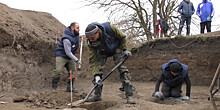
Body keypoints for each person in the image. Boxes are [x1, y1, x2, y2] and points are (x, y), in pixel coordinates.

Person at [84, 22, 135, 104]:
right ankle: (97, 95)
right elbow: (93, 60)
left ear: (98, 33)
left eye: (92, 38)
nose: (90, 40)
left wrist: (124, 49)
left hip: (116, 48)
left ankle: (129, 95)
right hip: (102, 51)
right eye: (88, 38)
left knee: (123, 70)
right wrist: (96, 75)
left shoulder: (109, 27)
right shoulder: (91, 43)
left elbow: (122, 36)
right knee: (97, 71)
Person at [52, 22, 82, 93]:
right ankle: (54, 88)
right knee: (58, 71)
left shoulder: (76, 35)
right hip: (61, 55)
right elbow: (68, 52)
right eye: (77, 28)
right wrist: (77, 60)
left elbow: (80, 37)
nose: (79, 29)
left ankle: (70, 88)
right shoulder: (66, 39)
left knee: (73, 71)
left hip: (70, 56)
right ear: (72, 28)